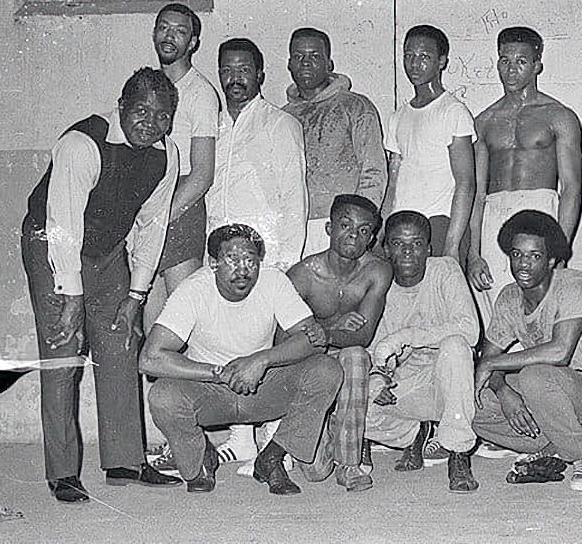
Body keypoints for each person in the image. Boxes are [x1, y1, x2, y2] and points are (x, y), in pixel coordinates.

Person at [21, 67, 183, 503]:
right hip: (51, 244)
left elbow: (152, 228)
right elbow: (64, 228)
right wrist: (70, 297)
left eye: (163, 115)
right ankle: (62, 473)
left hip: (107, 251)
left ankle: (125, 461)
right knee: (63, 353)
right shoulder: (81, 144)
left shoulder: (166, 157)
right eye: (142, 111)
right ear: (122, 106)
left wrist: (136, 296)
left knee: (121, 344)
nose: (151, 123)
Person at [139, 224, 343, 495]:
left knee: (326, 369)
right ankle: (201, 460)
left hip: (262, 386)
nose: (243, 270)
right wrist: (217, 373)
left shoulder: (273, 281)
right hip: (211, 391)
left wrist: (261, 360)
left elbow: (313, 339)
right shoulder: (193, 290)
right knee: (163, 395)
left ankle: (272, 458)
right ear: (213, 263)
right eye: (231, 260)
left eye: (250, 260)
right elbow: (150, 359)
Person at [203, 37, 308, 468]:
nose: (235, 78)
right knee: (226, 341)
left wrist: (282, 266)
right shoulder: (212, 125)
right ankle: (241, 435)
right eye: (227, 70)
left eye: (244, 69)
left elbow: (293, 200)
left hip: (262, 259)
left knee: (257, 343)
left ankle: (259, 439)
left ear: (260, 74)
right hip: (220, 257)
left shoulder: (279, 125)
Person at [472, 211, 582, 492]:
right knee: (473, 399)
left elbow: (560, 353)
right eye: (517, 254)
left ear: (552, 260)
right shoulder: (509, 295)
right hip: (547, 394)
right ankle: (551, 443)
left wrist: (492, 365)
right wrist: (503, 392)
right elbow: (488, 359)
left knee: (534, 376)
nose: (523, 264)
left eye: (534, 256)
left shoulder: (573, 283)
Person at [468, 27, 582, 327]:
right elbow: (477, 194)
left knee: (539, 312)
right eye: (505, 60)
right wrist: (473, 252)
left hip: (541, 212)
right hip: (495, 216)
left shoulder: (559, 115)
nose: (511, 69)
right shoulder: (483, 121)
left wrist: (561, 246)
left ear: (537, 65)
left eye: (521, 61)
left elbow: (571, 188)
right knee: (496, 312)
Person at [364, 210, 479, 493]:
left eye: (416, 244)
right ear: (386, 247)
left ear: (428, 248)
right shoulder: (380, 283)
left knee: (455, 346)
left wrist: (407, 336)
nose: (407, 252)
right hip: (410, 384)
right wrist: (378, 378)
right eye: (398, 244)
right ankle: (416, 433)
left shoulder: (445, 270)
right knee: (355, 409)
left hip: (450, 381)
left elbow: (470, 329)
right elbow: (376, 349)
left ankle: (457, 453)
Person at [286, 194, 393, 491]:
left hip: (350, 354)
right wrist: (332, 326)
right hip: (309, 362)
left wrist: (327, 334)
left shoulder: (376, 270)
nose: (353, 236)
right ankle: (332, 425)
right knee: (315, 472)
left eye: (363, 230)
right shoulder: (303, 275)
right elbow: (284, 338)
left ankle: (349, 464)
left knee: (356, 356)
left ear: (371, 237)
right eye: (345, 225)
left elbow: (363, 334)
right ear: (329, 228)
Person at [282, 28, 387, 256]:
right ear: (289, 64)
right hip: (293, 230)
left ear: (329, 64)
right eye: (299, 56)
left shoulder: (356, 107)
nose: (306, 62)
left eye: (314, 56)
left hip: (342, 231)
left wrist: (358, 228)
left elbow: (374, 171)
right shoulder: (281, 117)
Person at [382, 25, 475, 265]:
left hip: (438, 224)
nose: (414, 64)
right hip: (402, 227)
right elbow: (393, 184)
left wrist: (452, 245)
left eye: (424, 57)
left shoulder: (453, 112)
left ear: (442, 61)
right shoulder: (398, 116)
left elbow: (466, 183)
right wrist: (381, 232)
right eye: (408, 55)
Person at [151, 3, 220, 294]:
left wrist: (162, 216)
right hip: (149, 199)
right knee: (144, 312)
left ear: (192, 43)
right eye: (164, 27)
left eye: (180, 31)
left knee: (179, 313)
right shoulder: (148, 86)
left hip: (180, 206)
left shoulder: (200, 93)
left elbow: (202, 174)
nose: (170, 36)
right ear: (154, 33)